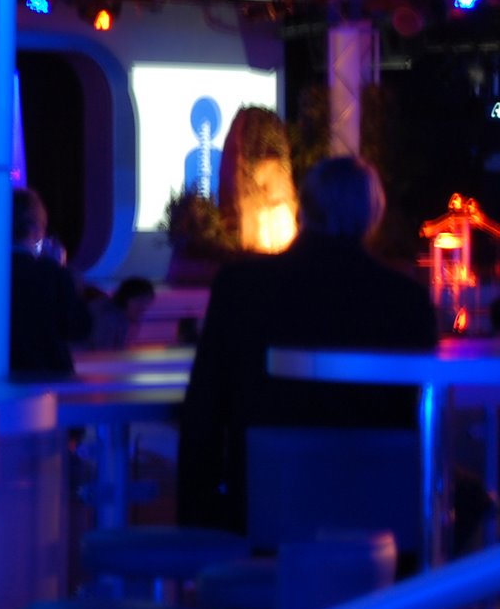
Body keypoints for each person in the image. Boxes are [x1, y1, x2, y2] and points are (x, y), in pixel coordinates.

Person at [177, 156, 439, 534]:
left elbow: (205, 404)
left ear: (302, 211)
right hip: (375, 511)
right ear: (372, 216)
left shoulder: (241, 287)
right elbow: (411, 412)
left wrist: (197, 517)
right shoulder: (405, 299)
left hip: (263, 501)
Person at [10, 188, 92, 376]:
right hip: (48, 374)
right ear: (36, 229)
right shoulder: (51, 273)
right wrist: (62, 272)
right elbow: (78, 328)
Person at [84, 276, 157, 350]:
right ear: (125, 299)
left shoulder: (123, 318)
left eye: (147, 302)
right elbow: (102, 352)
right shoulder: (108, 318)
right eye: (139, 300)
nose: (144, 307)